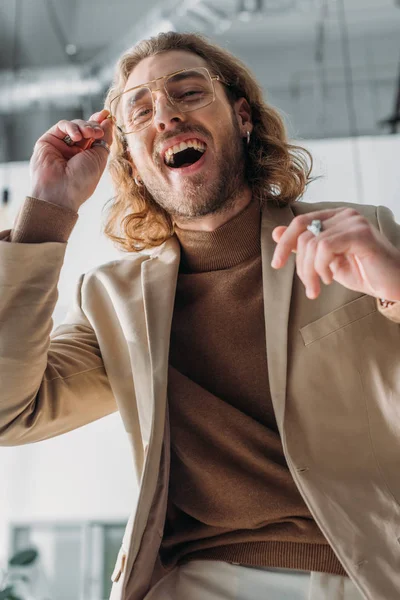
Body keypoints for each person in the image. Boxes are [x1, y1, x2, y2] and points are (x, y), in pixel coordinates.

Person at [1, 32, 400, 600]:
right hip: (190, 583)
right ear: (133, 163)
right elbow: (8, 412)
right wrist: (46, 213)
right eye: (139, 110)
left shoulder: (360, 238)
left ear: (242, 117)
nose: (165, 115)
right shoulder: (114, 301)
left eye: (188, 92)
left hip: (359, 575)